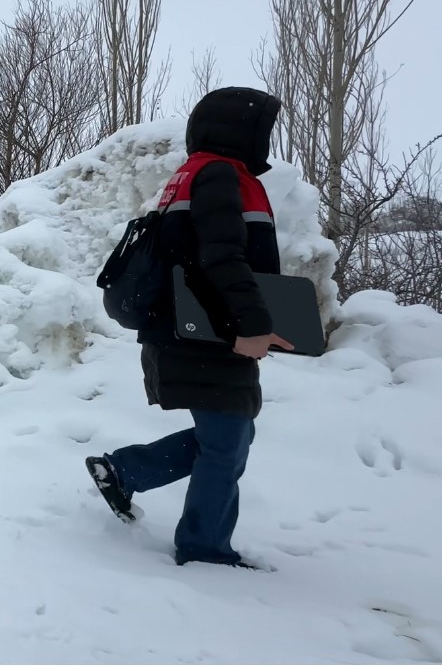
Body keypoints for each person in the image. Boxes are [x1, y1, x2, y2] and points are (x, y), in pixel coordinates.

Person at [86, 86, 294, 569]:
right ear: (239, 130)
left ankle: (122, 470)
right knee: (226, 444)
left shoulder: (194, 174)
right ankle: (204, 550)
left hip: (189, 329)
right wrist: (252, 323)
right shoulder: (220, 174)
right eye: (261, 128)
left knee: (228, 437)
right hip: (206, 332)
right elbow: (221, 257)